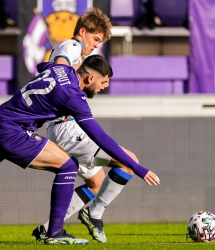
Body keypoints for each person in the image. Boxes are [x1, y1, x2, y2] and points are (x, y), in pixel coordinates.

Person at [31, 8, 160, 244]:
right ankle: (94, 214)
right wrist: (66, 92)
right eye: (96, 39)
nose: (95, 46)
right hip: (67, 128)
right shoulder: (72, 47)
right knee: (128, 161)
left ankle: (48, 230)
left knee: (97, 183)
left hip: (59, 126)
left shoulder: (74, 53)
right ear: (82, 32)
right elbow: (60, 69)